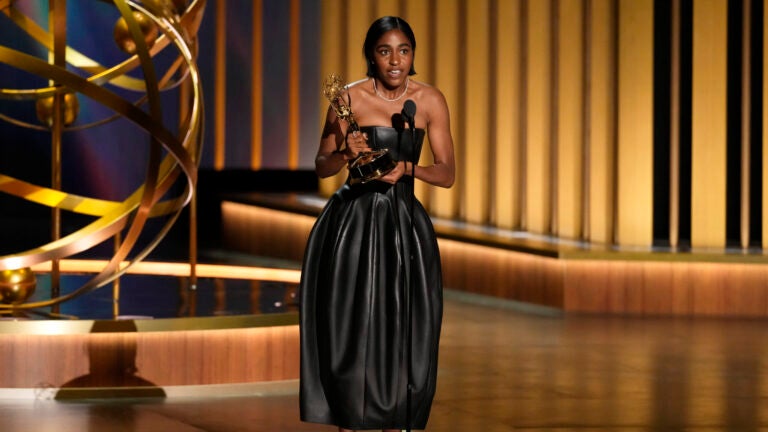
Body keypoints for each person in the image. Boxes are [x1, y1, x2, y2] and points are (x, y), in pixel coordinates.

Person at [299, 16, 455, 432]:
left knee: (405, 327)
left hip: (404, 228)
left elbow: (446, 173)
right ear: (372, 55)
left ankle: (397, 417)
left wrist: (408, 169)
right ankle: (350, 417)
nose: (395, 61)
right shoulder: (348, 99)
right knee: (351, 328)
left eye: (404, 51)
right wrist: (344, 155)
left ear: (412, 55)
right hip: (353, 226)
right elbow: (321, 165)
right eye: (385, 51)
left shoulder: (428, 100)